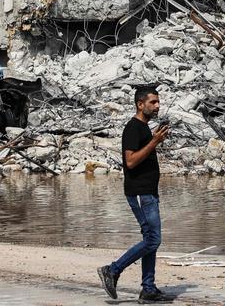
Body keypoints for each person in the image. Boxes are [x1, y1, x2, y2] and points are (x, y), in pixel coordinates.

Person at [98, 84, 174, 303]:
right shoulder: (133, 128)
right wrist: (154, 142)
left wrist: (154, 140)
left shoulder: (144, 128)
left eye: (158, 102)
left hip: (148, 192)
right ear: (140, 104)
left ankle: (148, 288)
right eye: (153, 102)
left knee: (150, 239)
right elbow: (130, 161)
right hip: (140, 193)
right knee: (153, 239)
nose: (157, 106)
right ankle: (112, 270)